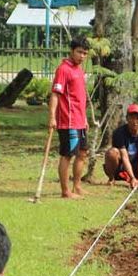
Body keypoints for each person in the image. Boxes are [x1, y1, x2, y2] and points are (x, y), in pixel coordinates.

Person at [48, 37, 90, 199]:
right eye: (79, 52)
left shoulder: (79, 70)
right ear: (72, 51)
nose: (82, 56)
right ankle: (65, 191)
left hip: (80, 120)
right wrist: (52, 117)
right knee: (67, 155)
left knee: (82, 153)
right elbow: (55, 94)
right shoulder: (63, 69)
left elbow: (80, 97)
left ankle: (77, 186)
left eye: (85, 53)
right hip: (68, 121)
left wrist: (85, 118)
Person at [103, 103, 138, 188]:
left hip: (136, 166)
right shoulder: (119, 133)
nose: (135, 121)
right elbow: (124, 157)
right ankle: (112, 178)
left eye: (137, 118)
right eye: (132, 118)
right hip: (121, 167)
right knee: (111, 152)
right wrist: (131, 177)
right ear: (127, 118)